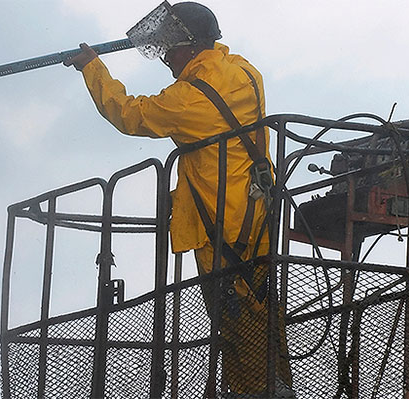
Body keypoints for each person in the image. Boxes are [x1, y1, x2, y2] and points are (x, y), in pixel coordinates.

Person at [64, 2, 293, 396]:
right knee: (262, 314)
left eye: (170, 48)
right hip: (258, 214)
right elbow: (215, 151)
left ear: (189, 46)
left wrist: (93, 68)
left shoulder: (189, 98)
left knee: (236, 321)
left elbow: (129, 114)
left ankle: (254, 393)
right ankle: (270, 387)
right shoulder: (242, 72)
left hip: (221, 229)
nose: (166, 57)